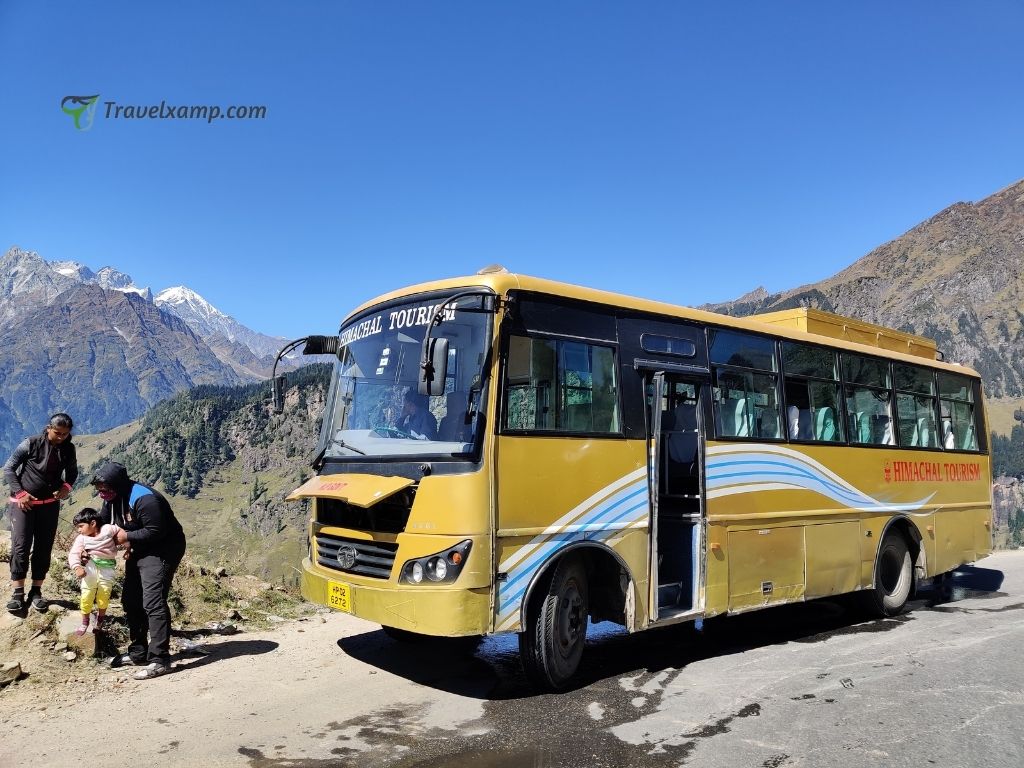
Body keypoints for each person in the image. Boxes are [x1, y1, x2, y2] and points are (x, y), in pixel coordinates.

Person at [91, 461, 186, 680]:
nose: (101, 493)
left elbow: (156, 531)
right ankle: (138, 653)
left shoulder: (144, 499)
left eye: (105, 488)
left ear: (117, 484)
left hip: (163, 549)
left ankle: (159, 659)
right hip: (140, 548)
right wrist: (88, 546)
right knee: (131, 600)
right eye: (99, 488)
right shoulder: (111, 500)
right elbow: (104, 527)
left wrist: (128, 538)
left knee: (153, 601)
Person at [4, 413, 78, 614]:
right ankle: (17, 593)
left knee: (44, 548)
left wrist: (67, 487)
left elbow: (72, 473)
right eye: (57, 433)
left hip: (49, 505)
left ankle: (36, 592)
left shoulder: (68, 449)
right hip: (23, 505)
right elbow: (9, 468)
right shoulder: (30, 443)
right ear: (48, 428)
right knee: (21, 546)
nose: (61, 437)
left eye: (65, 434)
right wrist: (20, 493)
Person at [67, 507, 124, 636]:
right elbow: (74, 553)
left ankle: (100, 621)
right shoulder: (82, 538)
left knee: (104, 594)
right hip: (90, 566)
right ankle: (85, 621)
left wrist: (128, 547)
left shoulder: (108, 529)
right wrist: (77, 567)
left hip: (107, 567)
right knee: (87, 594)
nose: (79, 530)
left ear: (93, 523)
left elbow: (120, 532)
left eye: (81, 526)